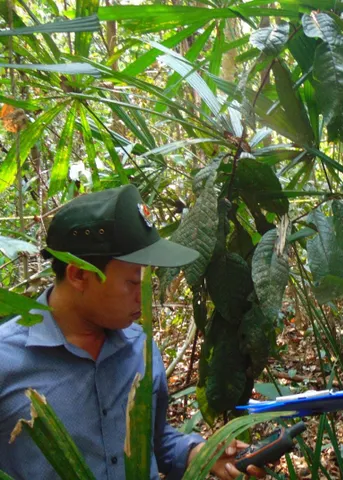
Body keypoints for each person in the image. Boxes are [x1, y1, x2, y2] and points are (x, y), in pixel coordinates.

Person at [0, 185, 262, 480]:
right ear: (79, 274)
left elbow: (154, 439)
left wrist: (195, 452)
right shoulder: (6, 359)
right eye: (133, 283)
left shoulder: (140, 347)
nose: (144, 298)